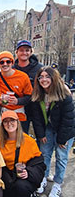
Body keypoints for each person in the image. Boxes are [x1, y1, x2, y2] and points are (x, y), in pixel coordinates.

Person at [31, 66, 75, 197]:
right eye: (41, 77)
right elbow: (36, 117)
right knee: (45, 153)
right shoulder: (38, 94)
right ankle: (43, 178)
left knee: (61, 156)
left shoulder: (64, 94)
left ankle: (57, 184)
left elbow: (69, 118)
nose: (44, 79)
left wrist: (62, 139)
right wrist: (41, 134)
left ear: (53, 78)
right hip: (49, 127)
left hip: (65, 129)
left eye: (47, 76)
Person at [0, 110, 45, 197]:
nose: (9, 124)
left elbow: (40, 165)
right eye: (6, 121)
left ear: (17, 122)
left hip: (24, 177)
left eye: (12, 120)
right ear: (2, 125)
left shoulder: (29, 141)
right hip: (7, 176)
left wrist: (28, 173)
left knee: (20, 187)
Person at [0, 51, 33, 133]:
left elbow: (29, 96)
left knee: (21, 140)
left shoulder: (23, 76)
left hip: (19, 114)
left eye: (8, 61)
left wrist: (18, 101)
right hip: (3, 114)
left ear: (12, 63)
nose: (5, 64)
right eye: (2, 62)